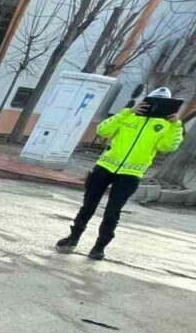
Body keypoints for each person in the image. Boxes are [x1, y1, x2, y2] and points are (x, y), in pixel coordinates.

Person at [55, 88, 184, 261]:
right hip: (105, 167)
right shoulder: (129, 116)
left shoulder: (165, 126)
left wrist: (175, 125)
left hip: (130, 174)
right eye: (152, 102)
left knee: (112, 212)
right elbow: (103, 130)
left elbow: (168, 147)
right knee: (88, 206)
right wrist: (128, 112)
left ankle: (99, 247)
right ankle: (73, 238)